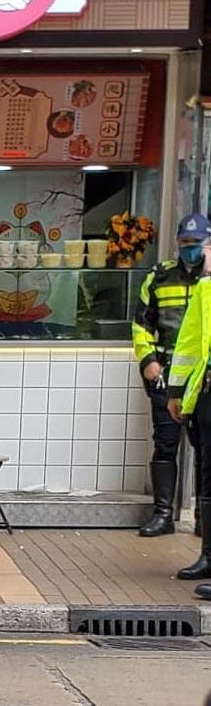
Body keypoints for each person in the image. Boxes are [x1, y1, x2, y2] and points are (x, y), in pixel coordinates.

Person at [132, 214, 209, 536]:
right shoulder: (160, 276)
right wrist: (148, 360)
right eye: (185, 243)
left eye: (197, 244)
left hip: (202, 379)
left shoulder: (208, 282)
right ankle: (163, 513)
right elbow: (141, 323)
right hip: (166, 374)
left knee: (205, 452)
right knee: (165, 443)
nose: (190, 250)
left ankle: (204, 521)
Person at [166, 215, 211, 599]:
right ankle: (208, 556)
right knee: (206, 476)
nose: (198, 252)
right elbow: (190, 343)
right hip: (206, 394)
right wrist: (178, 391)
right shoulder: (205, 289)